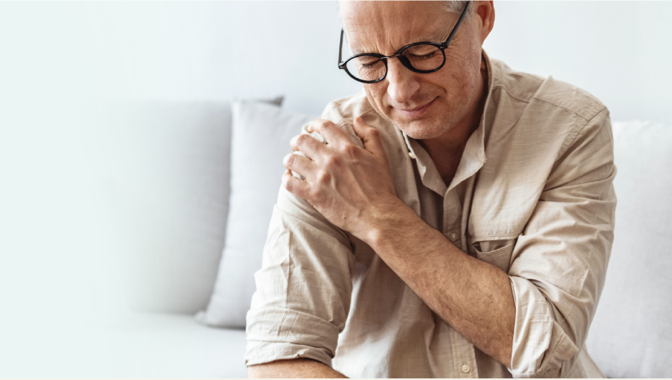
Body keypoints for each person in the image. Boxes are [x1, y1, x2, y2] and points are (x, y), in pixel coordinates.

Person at [246, 1, 616, 377]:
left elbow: (547, 349)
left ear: (482, 17)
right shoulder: (332, 154)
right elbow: (277, 360)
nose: (400, 90)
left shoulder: (570, 129)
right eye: (370, 62)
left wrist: (378, 216)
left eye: (424, 53)